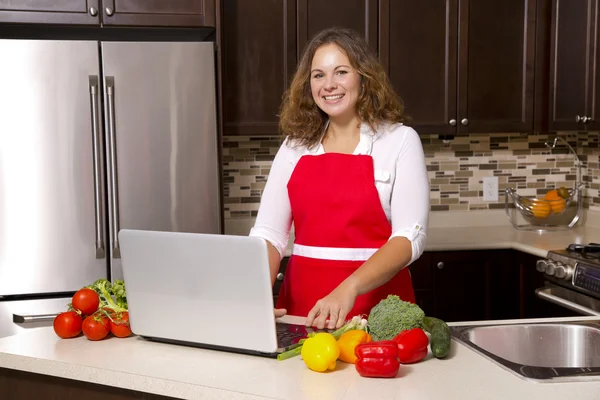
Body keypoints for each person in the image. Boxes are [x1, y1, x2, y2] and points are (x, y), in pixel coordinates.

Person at [249, 27, 430, 330]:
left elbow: (410, 237)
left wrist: (348, 288)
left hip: (377, 308)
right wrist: (253, 297)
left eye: (341, 72)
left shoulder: (400, 141)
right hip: (301, 309)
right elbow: (269, 235)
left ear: (364, 76)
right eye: (318, 75)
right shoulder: (295, 146)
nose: (329, 85)